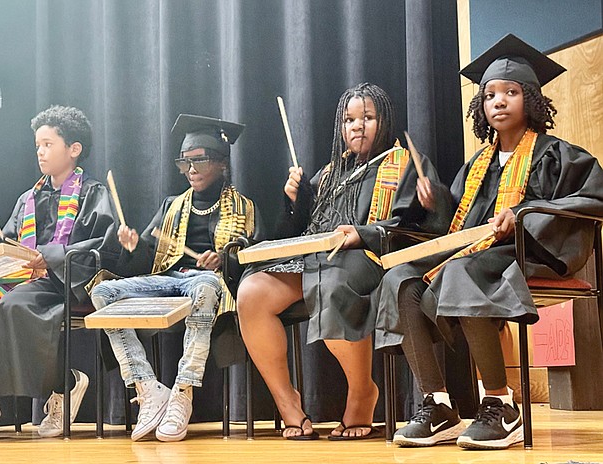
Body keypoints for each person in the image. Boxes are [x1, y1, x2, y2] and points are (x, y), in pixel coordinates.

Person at [375, 34, 603, 450]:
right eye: (490, 95)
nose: (498, 100)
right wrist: (435, 201)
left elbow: (594, 198)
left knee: (463, 271)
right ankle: (438, 405)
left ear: (531, 100)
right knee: (401, 282)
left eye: (511, 92)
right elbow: (458, 224)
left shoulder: (557, 154)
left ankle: (501, 403)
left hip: (531, 253)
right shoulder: (476, 165)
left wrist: (521, 216)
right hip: (480, 254)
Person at [236, 82, 441, 440]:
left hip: (373, 261)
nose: (357, 126)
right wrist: (294, 199)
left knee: (333, 285)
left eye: (368, 117)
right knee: (252, 291)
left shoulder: (406, 164)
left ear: (385, 121)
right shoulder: (332, 173)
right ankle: (288, 404)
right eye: (349, 119)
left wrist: (366, 233)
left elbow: (420, 230)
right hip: (316, 261)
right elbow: (295, 231)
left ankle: (362, 392)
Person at [90, 114, 260, 442]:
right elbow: (147, 259)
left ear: (222, 164)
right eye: (185, 163)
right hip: (167, 280)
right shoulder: (171, 205)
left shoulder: (243, 207)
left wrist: (225, 259)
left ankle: (183, 391)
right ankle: (148, 387)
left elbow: (254, 254)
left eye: (200, 161)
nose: (191, 170)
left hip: (208, 284)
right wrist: (134, 245)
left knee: (206, 285)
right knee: (103, 294)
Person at [0, 105, 119, 437]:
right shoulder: (28, 198)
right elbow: (9, 241)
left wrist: (48, 257)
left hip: (67, 281)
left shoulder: (93, 193)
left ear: (74, 149)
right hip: (25, 280)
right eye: (38, 146)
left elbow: (101, 246)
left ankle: (65, 383)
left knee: (13, 307)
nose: (41, 153)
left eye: (48, 144)